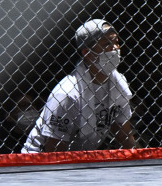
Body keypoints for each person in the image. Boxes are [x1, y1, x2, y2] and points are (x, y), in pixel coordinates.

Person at [22, 19, 136, 153]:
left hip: (80, 157)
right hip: (38, 159)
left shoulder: (119, 85)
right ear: (87, 53)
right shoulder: (67, 94)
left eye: (116, 42)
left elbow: (123, 133)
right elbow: (54, 150)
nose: (115, 48)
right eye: (107, 44)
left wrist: (140, 161)